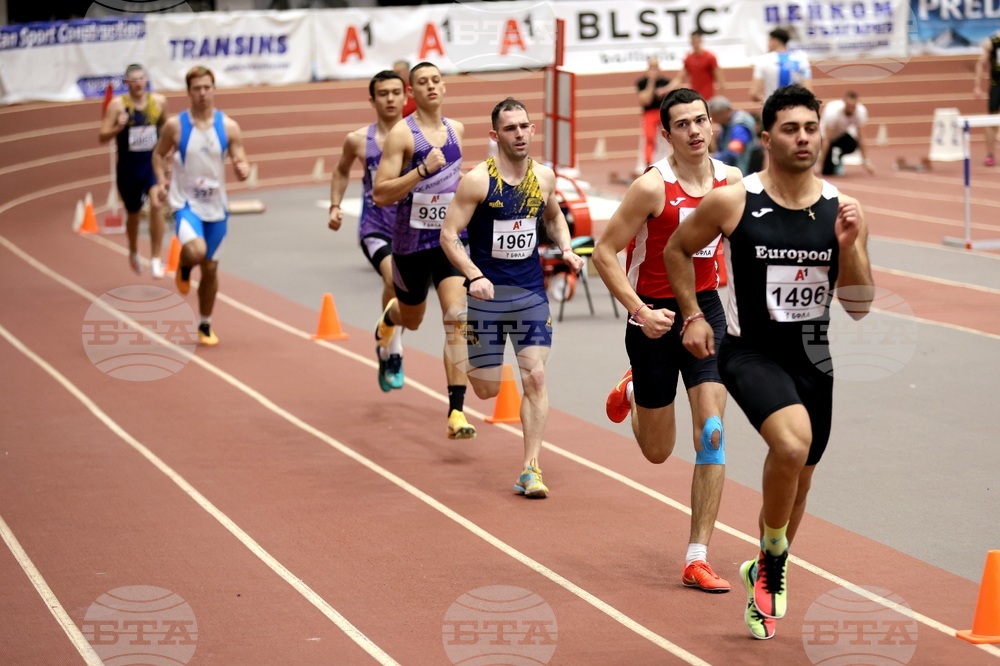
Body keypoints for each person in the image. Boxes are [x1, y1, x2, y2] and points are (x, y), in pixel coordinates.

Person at [664, 84, 874, 640]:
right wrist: (693, 315)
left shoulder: (841, 210)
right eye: (789, 129)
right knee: (790, 442)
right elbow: (677, 250)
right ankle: (776, 557)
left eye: (810, 127)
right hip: (747, 349)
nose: (802, 138)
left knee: (798, 481)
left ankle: (764, 566)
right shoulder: (735, 199)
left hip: (813, 356)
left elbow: (858, 307)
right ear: (767, 138)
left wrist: (849, 247)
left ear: (821, 134)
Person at [593, 88, 743, 592]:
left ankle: (697, 556)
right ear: (667, 134)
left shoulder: (732, 181)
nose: (696, 131)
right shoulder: (651, 188)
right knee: (658, 451)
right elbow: (604, 253)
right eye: (683, 124)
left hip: (707, 312)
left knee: (713, 433)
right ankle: (635, 390)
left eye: (701, 121)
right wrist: (639, 310)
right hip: (653, 317)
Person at [440, 98, 583, 499]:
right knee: (486, 390)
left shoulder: (544, 177)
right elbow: (448, 235)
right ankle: (459, 335)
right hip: (487, 296)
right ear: (495, 135)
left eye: (524, 126)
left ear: (532, 130)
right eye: (510, 128)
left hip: (530, 294)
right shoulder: (477, 182)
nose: (519, 134)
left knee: (535, 377)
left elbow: (552, 216)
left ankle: (530, 468)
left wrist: (566, 247)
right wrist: (474, 275)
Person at [372, 61, 475, 440]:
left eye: (436, 80)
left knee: (457, 316)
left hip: (449, 242)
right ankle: (390, 317)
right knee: (412, 319)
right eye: (422, 83)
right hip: (411, 246)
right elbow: (380, 194)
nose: (431, 87)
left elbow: (455, 182)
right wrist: (421, 172)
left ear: (444, 87)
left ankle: (456, 412)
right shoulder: (402, 135)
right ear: (412, 92)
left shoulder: (457, 130)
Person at [152, 65, 250, 347]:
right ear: (189, 92)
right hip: (185, 203)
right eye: (197, 88)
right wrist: (161, 180)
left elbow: (240, 157)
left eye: (207, 87)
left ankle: (204, 323)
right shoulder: (176, 126)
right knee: (197, 251)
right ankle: (184, 264)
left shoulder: (229, 127)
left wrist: (242, 167)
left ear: (214, 89)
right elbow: (159, 156)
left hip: (216, 208)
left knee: (210, 270)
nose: (203, 93)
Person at [329, 70, 407, 391]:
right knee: (393, 279)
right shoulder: (358, 140)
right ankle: (394, 352)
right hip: (375, 228)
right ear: (372, 100)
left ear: (405, 96)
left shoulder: (420, 137)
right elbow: (340, 170)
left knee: (406, 297)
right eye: (383, 93)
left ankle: (384, 342)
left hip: (412, 230)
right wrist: (335, 206)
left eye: (395, 92)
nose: (390, 98)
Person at [99, 63, 169, 278]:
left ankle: (156, 258)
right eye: (133, 79)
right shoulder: (117, 106)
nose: (138, 83)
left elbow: (167, 129)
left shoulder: (159, 102)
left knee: (157, 204)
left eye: (141, 78)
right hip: (128, 170)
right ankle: (133, 249)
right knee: (134, 215)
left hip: (152, 166)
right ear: (126, 83)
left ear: (146, 80)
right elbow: (102, 136)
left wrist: (170, 155)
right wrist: (117, 128)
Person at [749, 28, 812, 104]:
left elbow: (754, 93)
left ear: (775, 41)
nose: (767, 44)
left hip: (772, 109)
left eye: (769, 41)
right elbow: (809, 91)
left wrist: (766, 101)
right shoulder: (801, 60)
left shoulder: (763, 60)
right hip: (795, 108)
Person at [819, 91, 874, 176]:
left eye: (853, 107)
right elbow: (827, 139)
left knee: (852, 144)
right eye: (849, 106)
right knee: (827, 172)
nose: (851, 109)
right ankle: (828, 160)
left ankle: (838, 158)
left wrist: (866, 161)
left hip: (840, 136)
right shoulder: (833, 112)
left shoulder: (860, 112)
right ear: (844, 103)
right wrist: (820, 162)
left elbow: (861, 137)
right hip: (824, 137)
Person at [667, 30, 726, 100]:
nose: (694, 42)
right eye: (692, 40)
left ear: (700, 40)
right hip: (694, 96)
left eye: (696, 40)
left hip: (708, 97)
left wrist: (721, 98)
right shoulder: (688, 58)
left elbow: (720, 79)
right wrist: (666, 89)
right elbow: (679, 78)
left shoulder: (710, 57)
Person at [707, 96, 759, 175]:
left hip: (744, 173)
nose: (713, 120)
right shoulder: (727, 125)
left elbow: (733, 153)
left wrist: (711, 157)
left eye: (714, 116)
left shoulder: (739, 127)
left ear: (725, 111)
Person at [636, 56, 672, 170]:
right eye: (651, 67)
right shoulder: (642, 82)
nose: (654, 69)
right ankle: (647, 163)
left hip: (662, 112)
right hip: (649, 113)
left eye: (655, 67)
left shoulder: (665, 82)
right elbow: (645, 100)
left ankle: (669, 162)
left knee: (669, 137)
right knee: (649, 138)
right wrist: (651, 82)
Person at [973, 31, 1000, 166]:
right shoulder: (993, 42)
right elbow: (980, 63)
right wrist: (977, 86)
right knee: (992, 120)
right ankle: (990, 154)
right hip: (996, 86)